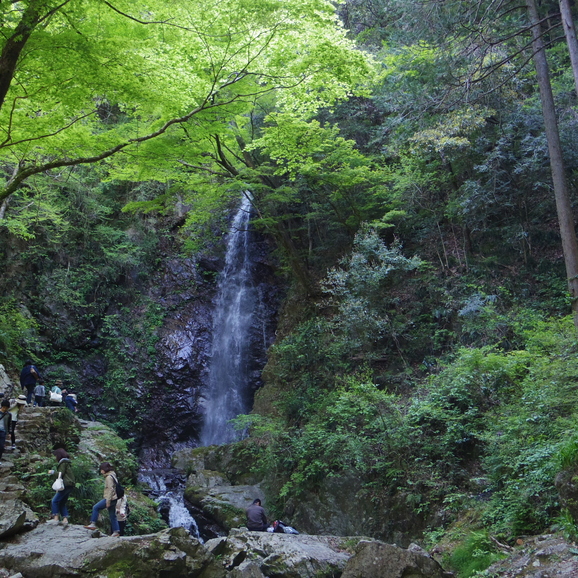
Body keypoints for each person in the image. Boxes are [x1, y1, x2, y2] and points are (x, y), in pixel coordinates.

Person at [84, 462, 121, 537]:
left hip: (110, 498)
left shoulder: (109, 477)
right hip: (115, 498)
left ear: (104, 469)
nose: (101, 471)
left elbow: (110, 489)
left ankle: (93, 523)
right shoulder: (113, 475)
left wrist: (108, 501)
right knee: (112, 515)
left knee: (96, 507)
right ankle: (116, 531)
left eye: (101, 469)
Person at [48, 448, 75, 524]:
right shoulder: (67, 462)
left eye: (56, 455)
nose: (55, 457)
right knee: (62, 502)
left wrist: (52, 472)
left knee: (54, 501)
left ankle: (56, 518)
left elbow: (60, 473)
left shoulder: (63, 463)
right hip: (70, 484)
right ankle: (65, 519)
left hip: (66, 484)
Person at [0, 399, 11, 464]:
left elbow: (9, 424)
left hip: (3, 431)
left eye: (6, 408)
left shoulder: (8, 415)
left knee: (1, 446)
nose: (5, 409)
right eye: (4, 407)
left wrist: (9, 433)